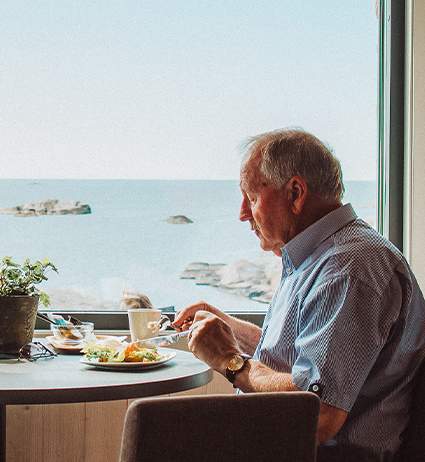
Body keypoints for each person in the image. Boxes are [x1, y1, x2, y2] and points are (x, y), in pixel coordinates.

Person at [174, 128, 425, 461]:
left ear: (295, 193)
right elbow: (306, 359)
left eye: (251, 197)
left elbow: (317, 411)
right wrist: (227, 327)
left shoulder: (348, 270)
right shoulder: (320, 257)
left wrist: (229, 361)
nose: (242, 214)